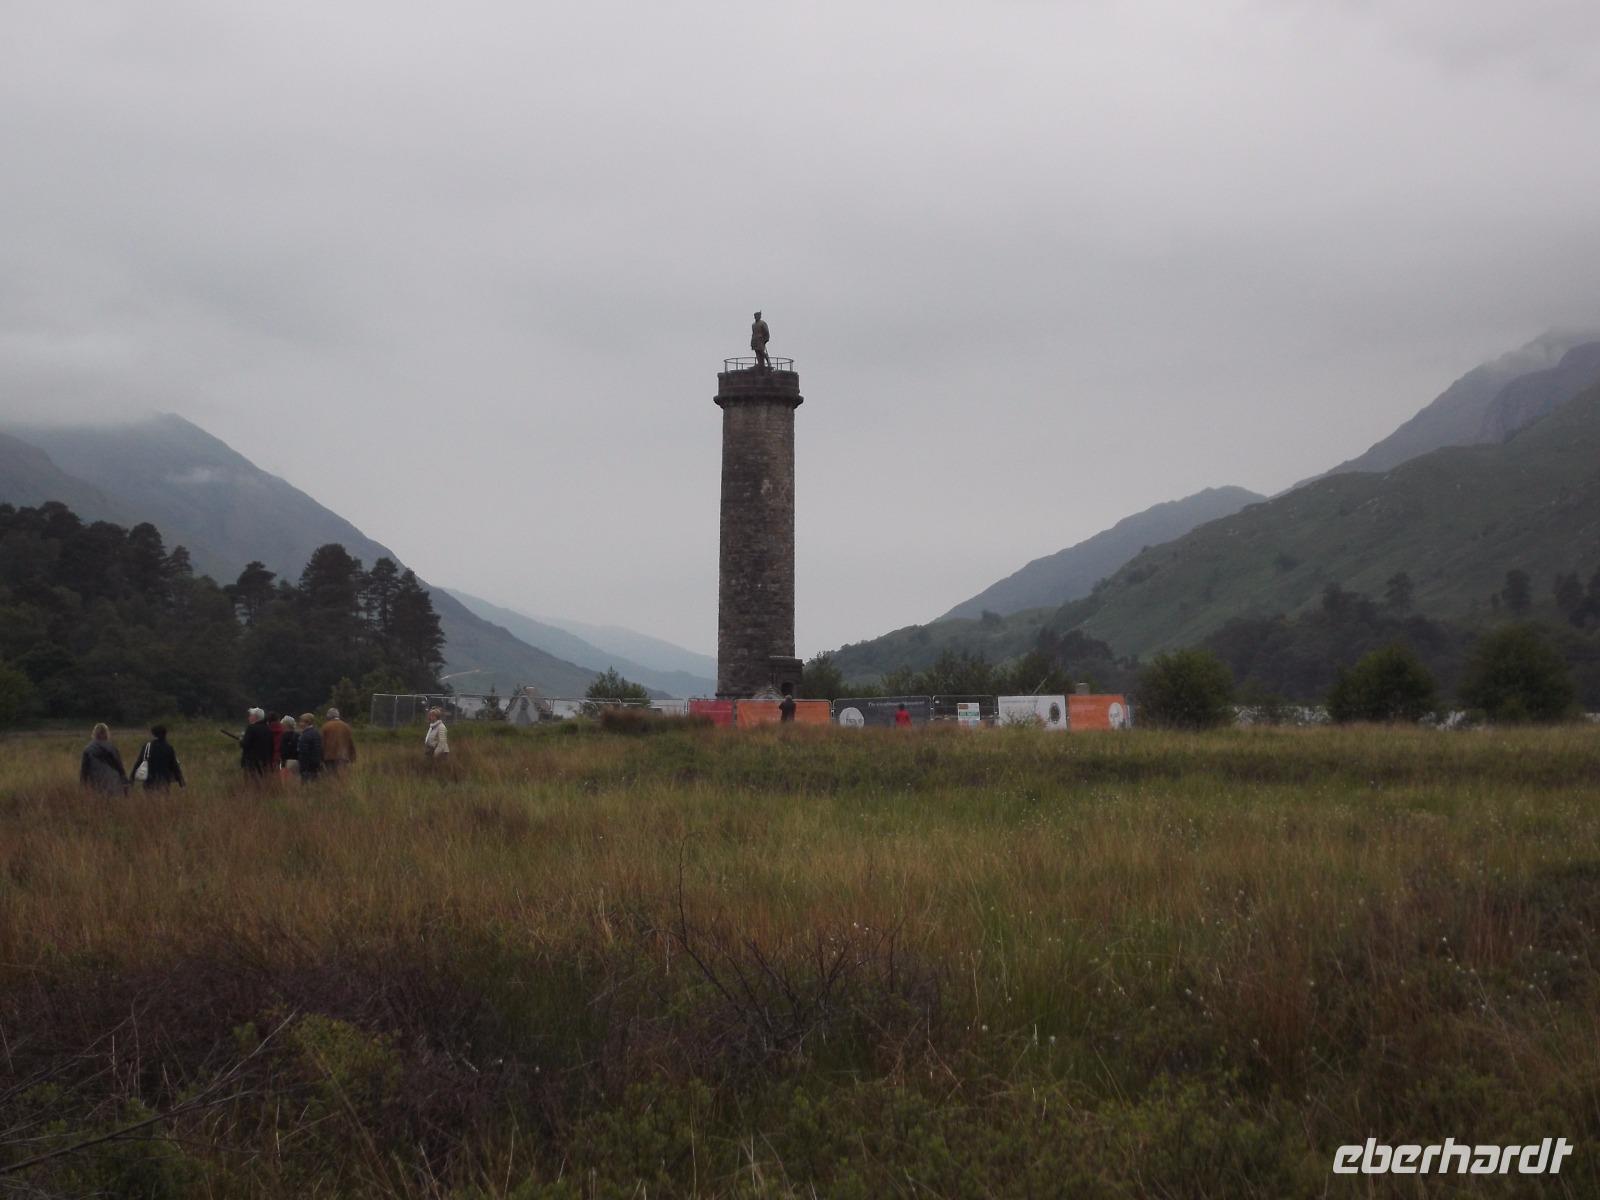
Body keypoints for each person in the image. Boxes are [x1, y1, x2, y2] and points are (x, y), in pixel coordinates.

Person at [129, 725, 185, 790]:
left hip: (149, 779)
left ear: (153, 734)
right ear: (164, 734)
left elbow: (139, 762)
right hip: (164, 780)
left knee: (150, 798)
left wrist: (132, 777)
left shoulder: (148, 747)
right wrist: (181, 781)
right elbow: (175, 766)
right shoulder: (168, 748)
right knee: (163, 799)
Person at [80, 723, 129, 794]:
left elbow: (84, 772)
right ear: (106, 733)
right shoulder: (112, 748)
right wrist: (125, 786)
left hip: (96, 786)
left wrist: (83, 787)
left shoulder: (88, 749)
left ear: (94, 733)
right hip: (114, 786)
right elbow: (120, 769)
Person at [240, 708, 274, 776]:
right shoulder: (268, 728)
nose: (248, 717)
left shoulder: (251, 728)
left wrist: (241, 741)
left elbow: (245, 744)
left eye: (250, 715)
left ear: (255, 717)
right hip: (265, 761)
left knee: (251, 782)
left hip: (251, 762)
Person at [322, 708, 357, 774]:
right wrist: (352, 756)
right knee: (342, 777)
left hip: (329, 757)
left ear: (329, 716)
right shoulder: (346, 726)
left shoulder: (326, 726)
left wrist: (321, 757)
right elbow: (350, 742)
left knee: (331, 776)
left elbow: (323, 743)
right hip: (343, 756)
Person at [295, 712, 324, 782]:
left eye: (301, 722)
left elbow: (303, 753)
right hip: (316, 764)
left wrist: (302, 767)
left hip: (307, 767)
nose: (299, 724)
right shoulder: (316, 733)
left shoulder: (305, 736)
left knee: (306, 787)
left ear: (306, 723)